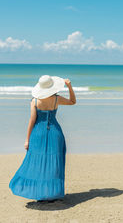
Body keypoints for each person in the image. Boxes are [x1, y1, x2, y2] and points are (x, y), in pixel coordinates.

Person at [9, 75, 76, 203]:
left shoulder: (34, 101)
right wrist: (69, 86)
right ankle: (52, 194)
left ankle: (40, 194)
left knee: (38, 162)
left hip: (38, 134)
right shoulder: (56, 99)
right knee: (54, 163)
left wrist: (27, 139)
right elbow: (73, 102)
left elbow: (32, 120)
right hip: (55, 133)